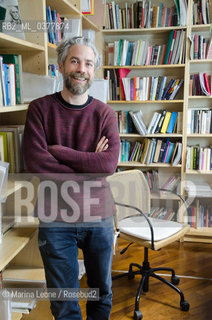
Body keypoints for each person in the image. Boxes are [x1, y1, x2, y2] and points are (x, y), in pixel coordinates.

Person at [23, 37, 120, 320]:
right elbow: (37, 163)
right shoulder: (39, 109)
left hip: (98, 216)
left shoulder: (105, 114)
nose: (81, 68)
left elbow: (109, 164)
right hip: (56, 218)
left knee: (101, 292)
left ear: (94, 71)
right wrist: (90, 165)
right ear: (61, 65)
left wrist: (60, 152)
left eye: (88, 63)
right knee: (64, 300)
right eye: (75, 61)